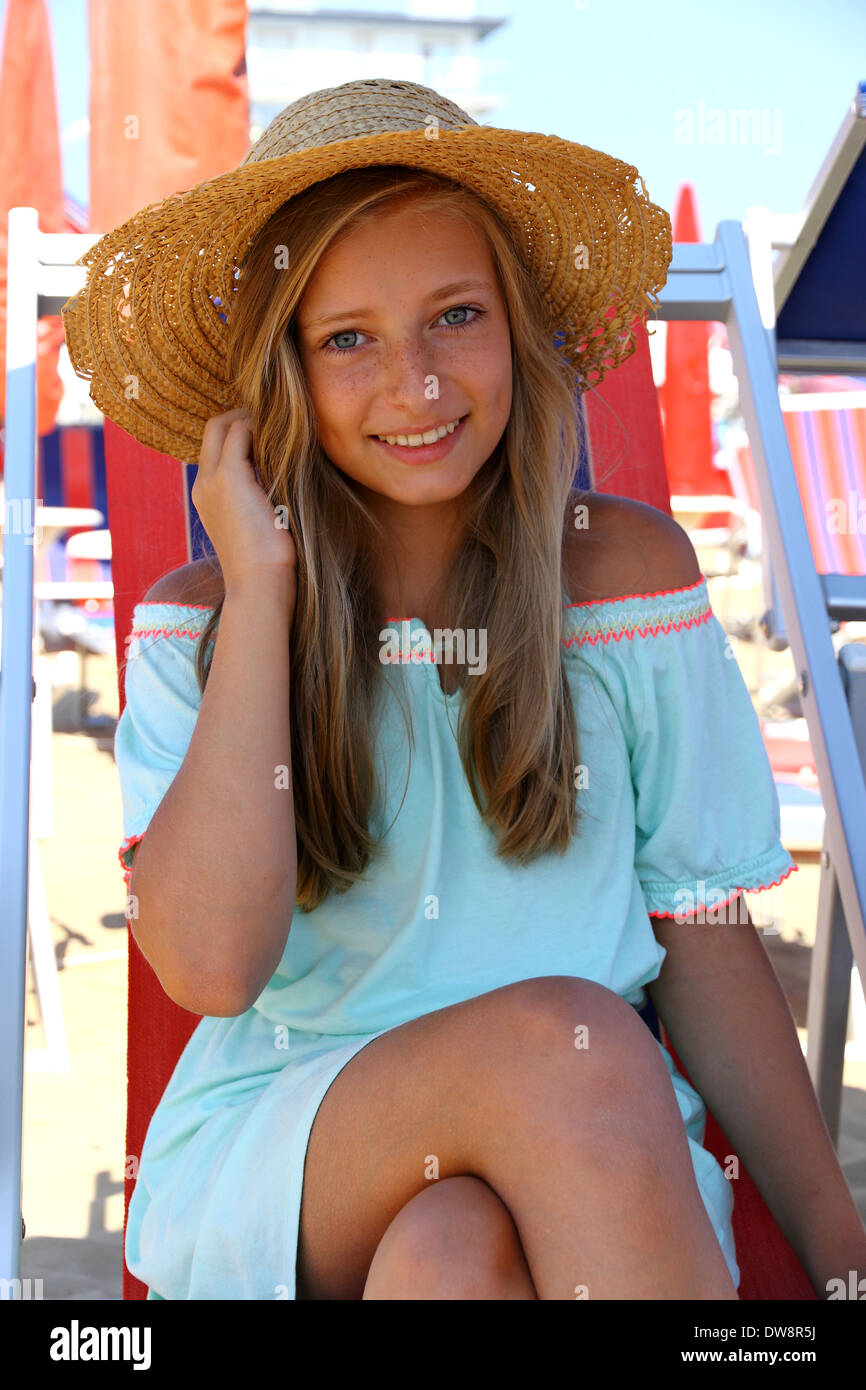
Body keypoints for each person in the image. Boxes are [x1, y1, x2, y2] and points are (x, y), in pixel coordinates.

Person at [62, 78, 866, 1302]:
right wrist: (266, 588)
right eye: (346, 339)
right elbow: (213, 970)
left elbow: (705, 948)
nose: (418, 382)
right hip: (298, 1148)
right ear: (278, 374)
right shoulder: (204, 626)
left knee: (450, 1255)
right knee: (571, 1042)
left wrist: (843, 1262)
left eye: (453, 315)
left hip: (594, 1169)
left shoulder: (624, 576)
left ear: (517, 328)